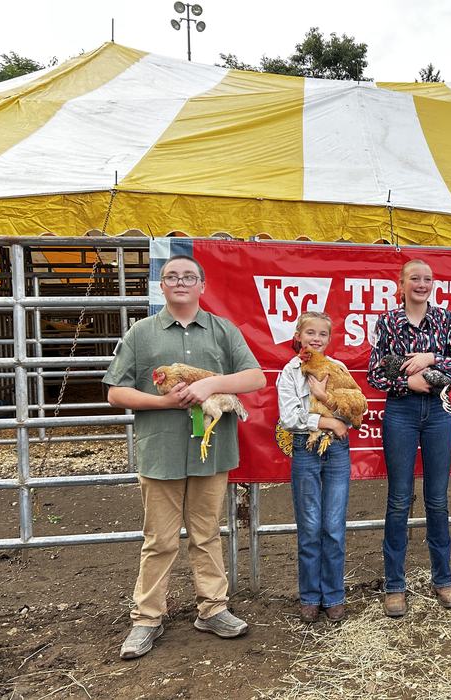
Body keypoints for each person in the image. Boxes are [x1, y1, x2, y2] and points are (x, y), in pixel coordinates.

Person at [104, 254, 266, 660]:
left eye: (189, 277)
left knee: (206, 533)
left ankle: (213, 608)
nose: (180, 282)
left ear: (202, 286)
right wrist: (164, 402)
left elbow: (255, 377)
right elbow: (116, 392)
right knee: (159, 539)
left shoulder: (222, 330)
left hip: (210, 450)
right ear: (161, 285)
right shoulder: (141, 333)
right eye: (172, 276)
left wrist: (210, 384)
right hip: (161, 449)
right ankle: (147, 618)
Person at [367, 259, 451, 617]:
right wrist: (406, 382)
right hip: (402, 411)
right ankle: (395, 585)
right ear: (402, 284)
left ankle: (443, 579)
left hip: (439, 411)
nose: (422, 284)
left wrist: (431, 357)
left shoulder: (445, 319)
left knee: (438, 499)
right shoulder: (388, 322)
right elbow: (376, 372)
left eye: (427, 278)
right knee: (399, 499)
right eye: (415, 278)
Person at [277, 311, 358, 624]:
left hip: (336, 449)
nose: (316, 338)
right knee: (310, 526)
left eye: (322, 334)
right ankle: (310, 596)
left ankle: (334, 595)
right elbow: (288, 417)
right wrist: (327, 422)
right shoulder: (290, 372)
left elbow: (355, 410)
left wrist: (328, 399)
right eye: (310, 332)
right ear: (298, 336)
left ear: (329, 339)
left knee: (334, 526)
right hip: (306, 447)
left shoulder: (338, 369)